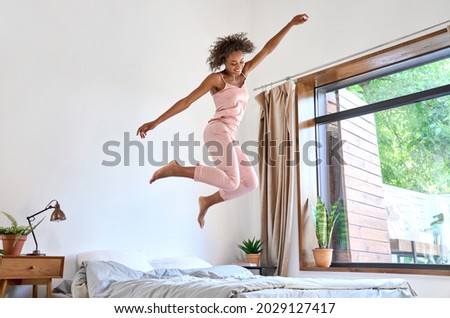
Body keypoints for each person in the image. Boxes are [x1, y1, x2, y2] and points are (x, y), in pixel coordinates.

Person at [137, 14, 309, 229]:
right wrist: (155, 122)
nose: (238, 67)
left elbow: (267, 49)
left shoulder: (244, 74)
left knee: (250, 183)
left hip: (230, 136)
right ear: (223, 62)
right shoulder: (216, 80)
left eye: (241, 62)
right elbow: (186, 101)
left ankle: (207, 201)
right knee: (231, 181)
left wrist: (291, 24)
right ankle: (176, 169)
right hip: (217, 130)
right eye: (233, 63)